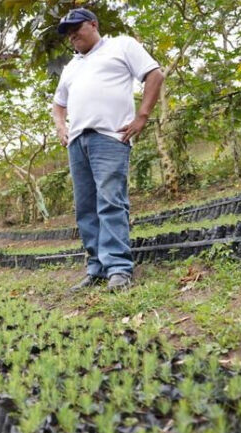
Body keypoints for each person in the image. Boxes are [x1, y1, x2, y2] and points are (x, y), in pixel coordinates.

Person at [52, 8, 164, 292]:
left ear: (93, 24)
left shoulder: (121, 46)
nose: (72, 35)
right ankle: (97, 269)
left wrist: (142, 116)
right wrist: (60, 126)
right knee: (85, 208)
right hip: (77, 142)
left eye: (76, 27)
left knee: (110, 201)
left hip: (110, 137)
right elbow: (58, 103)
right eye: (67, 32)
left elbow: (155, 75)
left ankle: (118, 268)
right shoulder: (71, 67)